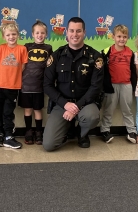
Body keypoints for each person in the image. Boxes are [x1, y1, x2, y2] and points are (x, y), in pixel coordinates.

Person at [43, 17, 103, 151]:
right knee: (48, 145)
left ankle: (81, 133)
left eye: (78, 31)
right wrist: (65, 104)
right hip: (62, 103)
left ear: (84, 32)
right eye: (71, 31)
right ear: (66, 32)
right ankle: (67, 130)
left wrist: (77, 105)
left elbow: (96, 87)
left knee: (91, 117)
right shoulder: (57, 55)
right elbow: (47, 85)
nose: (74, 35)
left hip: (85, 103)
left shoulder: (95, 57)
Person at [0, 23, 28, 149]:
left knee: (8, 112)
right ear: (4, 36)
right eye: (8, 35)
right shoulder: (1, 48)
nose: (11, 37)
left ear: (18, 35)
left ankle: (8, 136)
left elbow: (23, 66)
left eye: (13, 34)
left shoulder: (22, 49)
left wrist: (13, 77)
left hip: (13, 87)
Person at [100, 24, 137, 144]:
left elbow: (133, 70)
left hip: (126, 85)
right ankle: (105, 130)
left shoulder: (130, 53)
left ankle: (132, 131)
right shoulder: (106, 52)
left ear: (127, 38)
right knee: (109, 109)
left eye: (124, 36)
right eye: (119, 36)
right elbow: (102, 70)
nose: (122, 39)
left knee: (127, 110)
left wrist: (134, 87)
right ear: (113, 37)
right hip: (112, 86)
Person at [21, 21, 53, 145]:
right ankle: (28, 131)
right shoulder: (26, 46)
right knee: (27, 110)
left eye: (42, 33)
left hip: (39, 86)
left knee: (38, 110)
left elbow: (50, 65)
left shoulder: (48, 48)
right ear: (33, 34)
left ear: (46, 34)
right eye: (37, 33)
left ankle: (39, 131)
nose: (40, 35)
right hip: (26, 85)